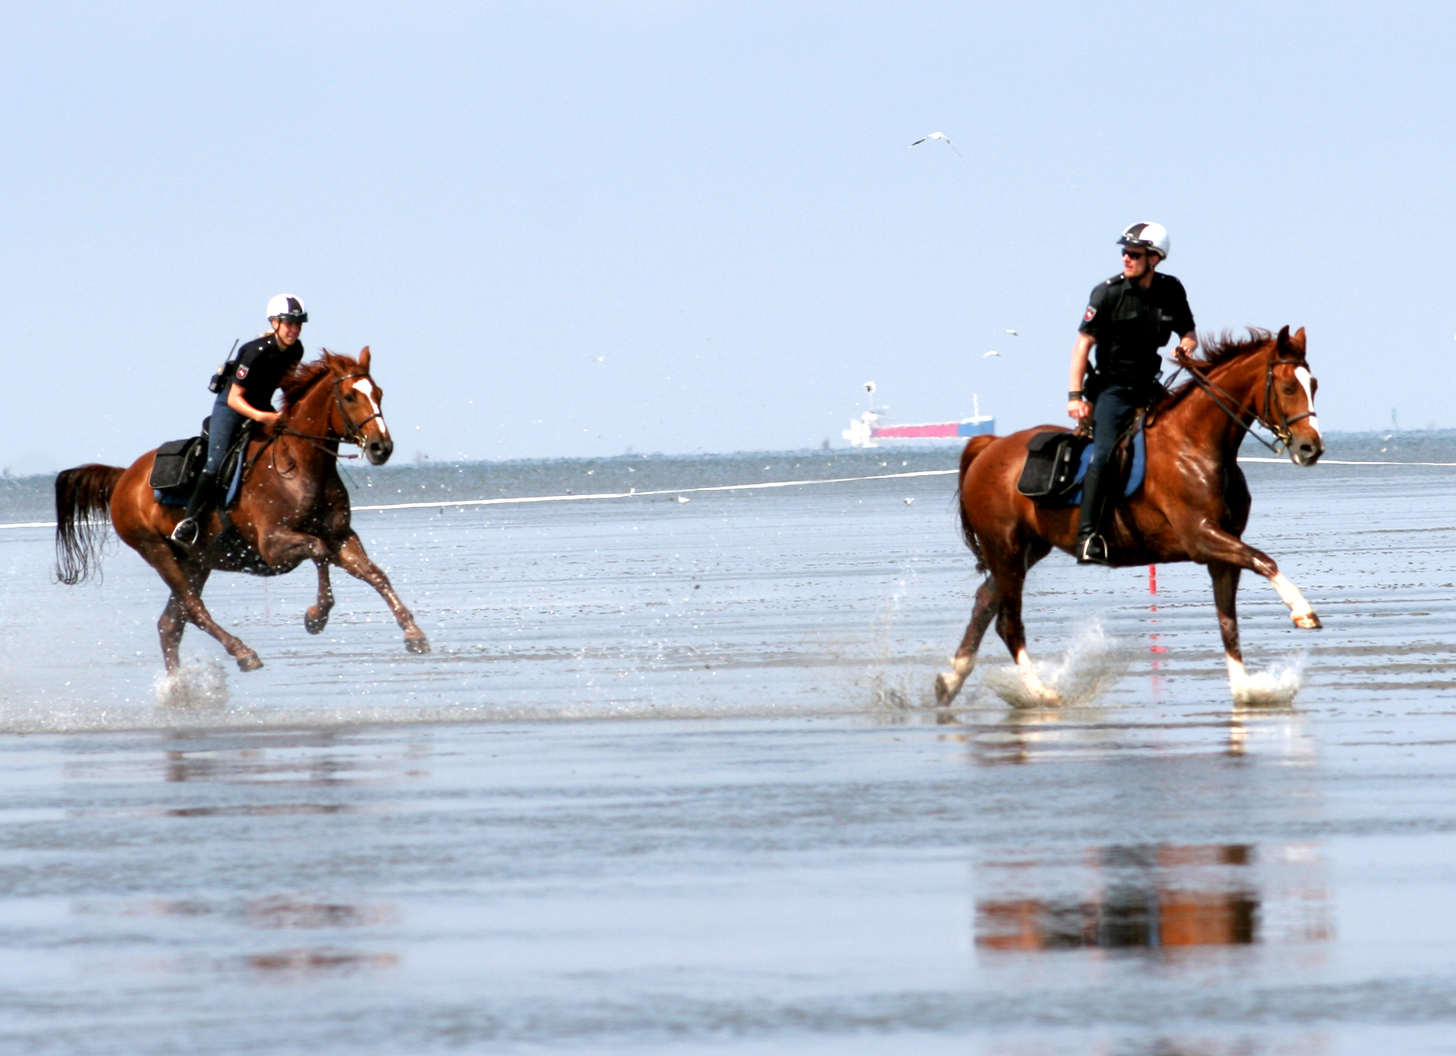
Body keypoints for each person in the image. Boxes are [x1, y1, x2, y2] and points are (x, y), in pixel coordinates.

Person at [1067, 223, 1196, 565]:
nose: (1126, 257)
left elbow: (1189, 333)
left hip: (1150, 386)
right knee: (1105, 455)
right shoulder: (1107, 293)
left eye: (1134, 254)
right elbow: (1083, 346)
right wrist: (1075, 395)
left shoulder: (1172, 289)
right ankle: (1088, 535)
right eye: (1124, 251)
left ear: (1154, 259)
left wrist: (1185, 347)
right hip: (1112, 389)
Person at [170, 295, 308, 546]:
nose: (295, 329)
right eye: (289, 323)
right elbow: (235, 397)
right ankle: (189, 522)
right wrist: (262, 416)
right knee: (216, 463)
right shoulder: (255, 351)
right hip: (232, 405)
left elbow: (286, 387)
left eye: (298, 324)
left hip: (261, 404)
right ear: (275, 323)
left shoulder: (297, 350)